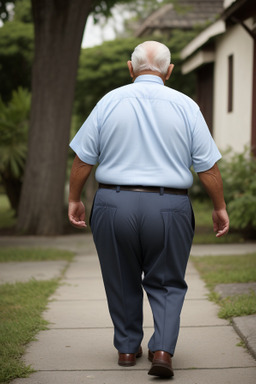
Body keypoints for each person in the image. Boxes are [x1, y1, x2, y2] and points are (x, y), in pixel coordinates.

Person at [68, 41, 229, 379]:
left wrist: (75, 199)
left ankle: (127, 349)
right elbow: (208, 167)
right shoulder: (187, 106)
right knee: (168, 280)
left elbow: (83, 159)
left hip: (113, 203)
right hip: (169, 205)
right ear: (169, 71)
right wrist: (219, 206)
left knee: (120, 277)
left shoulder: (109, 102)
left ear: (131, 68)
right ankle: (163, 351)